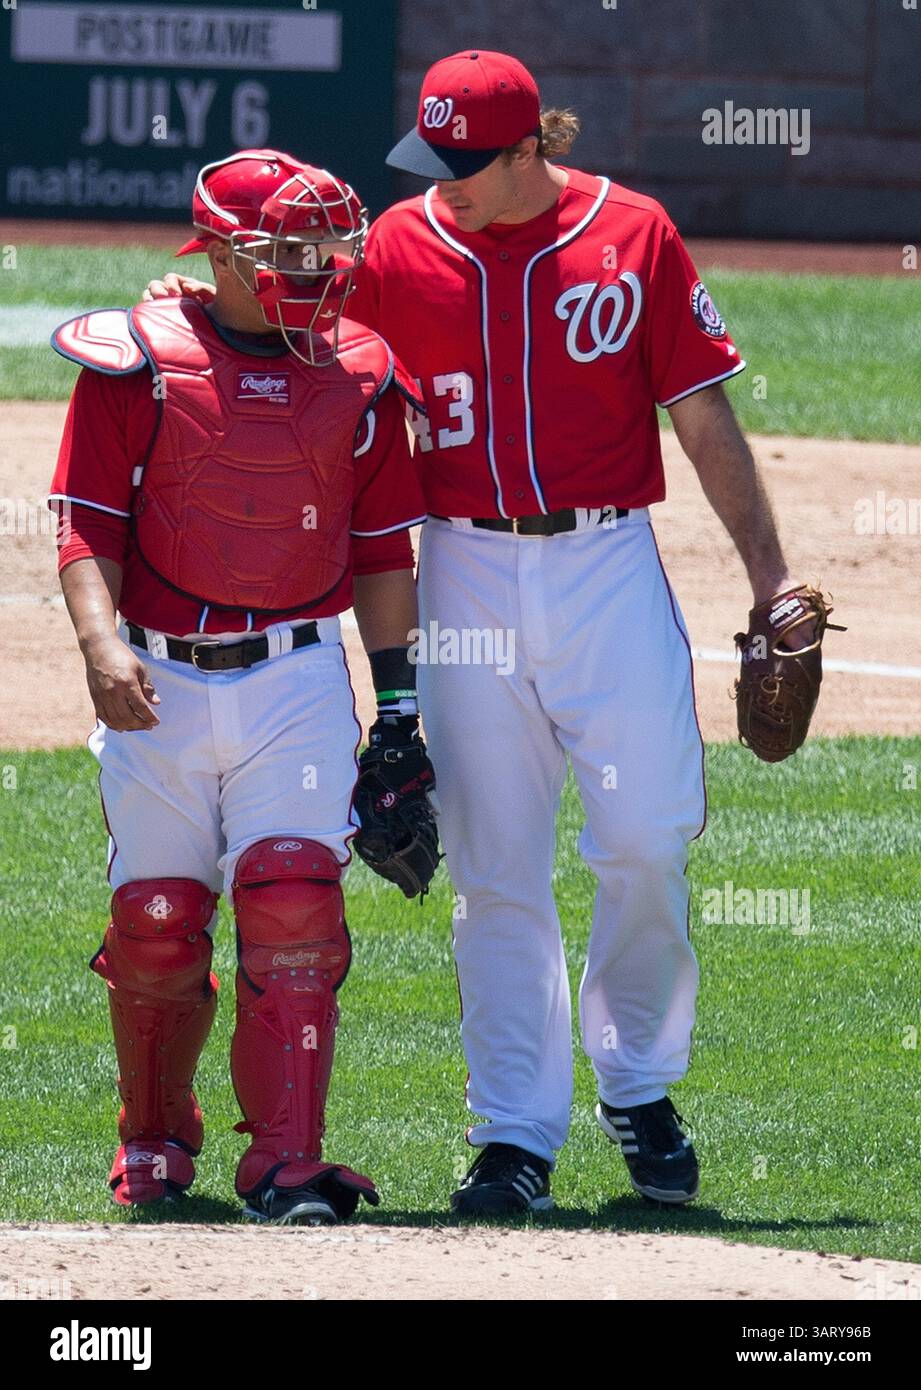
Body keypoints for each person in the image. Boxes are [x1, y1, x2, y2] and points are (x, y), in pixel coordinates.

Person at [144, 53, 817, 1218]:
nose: (438, 184)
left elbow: (702, 414)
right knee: (497, 869)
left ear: (527, 152)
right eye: (431, 161)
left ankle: (640, 1087)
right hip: (461, 575)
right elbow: (290, 319)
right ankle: (514, 1133)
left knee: (648, 837)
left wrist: (774, 578)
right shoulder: (400, 245)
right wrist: (192, 302)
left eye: (464, 165)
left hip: (608, 566)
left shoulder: (635, 235)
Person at [47, 148, 435, 1225]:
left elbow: (383, 552)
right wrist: (99, 646)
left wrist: (398, 715)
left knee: (297, 908)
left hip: (296, 677)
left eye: (325, 247)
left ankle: (288, 1161)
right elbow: (87, 520)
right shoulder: (135, 357)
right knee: (158, 925)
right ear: (215, 252)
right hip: (159, 679)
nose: (315, 269)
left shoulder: (361, 366)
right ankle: (154, 1139)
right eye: (284, 251)